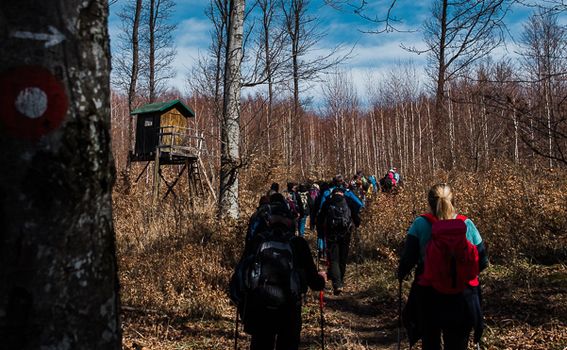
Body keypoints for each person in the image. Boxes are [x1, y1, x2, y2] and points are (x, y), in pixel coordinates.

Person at [397, 183, 488, 350]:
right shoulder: (466, 224)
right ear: (453, 200)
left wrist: (401, 273)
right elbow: (482, 261)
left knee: (430, 342)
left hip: (428, 295)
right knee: (458, 344)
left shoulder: (420, 224)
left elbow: (408, 259)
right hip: (463, 295)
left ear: (429, 202)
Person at [232, 193, 326, 350]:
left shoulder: (258, 240)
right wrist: (321, 279)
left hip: (260, 306)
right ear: (290, 221)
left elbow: (241, 273)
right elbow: (314, 281)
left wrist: (241, 301)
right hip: (289, 308)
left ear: (270, 220)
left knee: (261, 344)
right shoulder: (298, 243)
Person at [318, 187, 360, 295]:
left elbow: (320, 218)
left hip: (331, 234)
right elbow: (356, 218)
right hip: (346, 234)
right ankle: (340, 280)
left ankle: (337, 284)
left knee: (333, 259)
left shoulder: (328, 201)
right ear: (342, 192)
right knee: (343, 257)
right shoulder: (348, 201)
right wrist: (357, 224)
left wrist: (320, 233)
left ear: (334, 192)